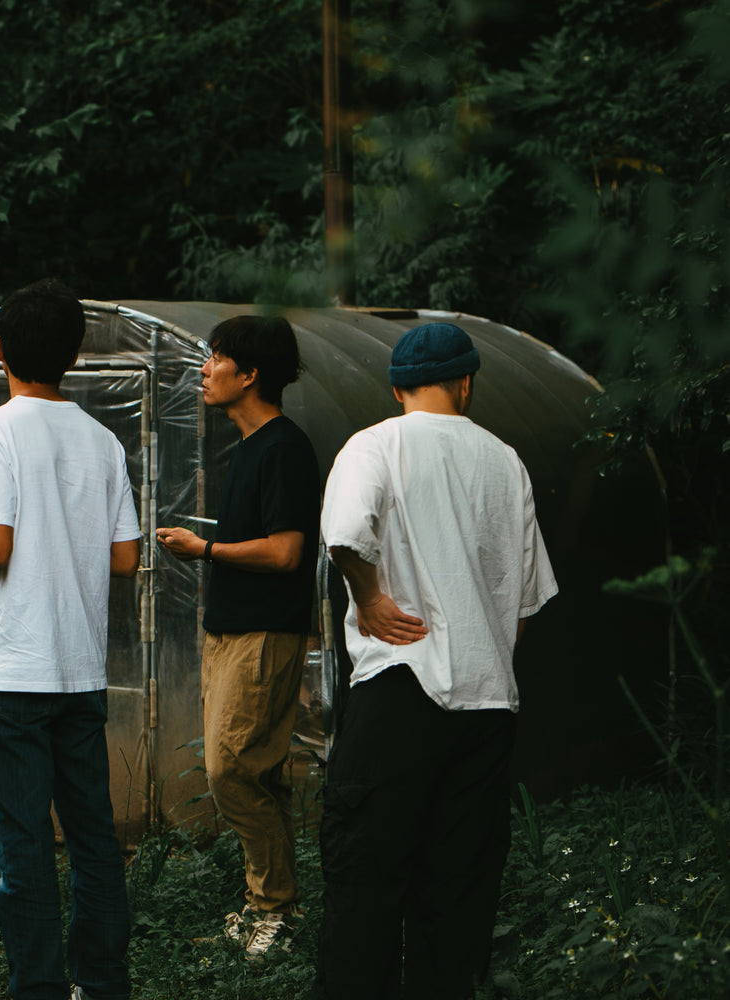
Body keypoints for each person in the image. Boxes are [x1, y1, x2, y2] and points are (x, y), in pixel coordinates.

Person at [315, 322, 558, 999]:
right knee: (458, 900)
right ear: (466, 382)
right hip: (486, 708)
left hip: (402, 685)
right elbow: (524, 601)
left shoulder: (375, 444)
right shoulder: (505, 461)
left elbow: (344, 536)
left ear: (396, 388)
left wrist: (368, 599)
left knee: (365, 886)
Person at [0, 279, 140, 1000]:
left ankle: (38, 988)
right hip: (79, 672)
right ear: (74, 354)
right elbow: (124, 559)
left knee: (22, 843)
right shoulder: (103, 439)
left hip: (11, 671)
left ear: (0, 351)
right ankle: (103, 982)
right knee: (93, 837)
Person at [154, 314, 320, 956]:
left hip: (264, 633)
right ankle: (271, 908)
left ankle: (273, 907)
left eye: (217, 357)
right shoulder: (250, 446)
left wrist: (206, 547)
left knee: (229, 771)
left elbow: (285, 552)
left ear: (250, 374)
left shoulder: (283, 447)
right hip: (233, 632)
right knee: (257, 772)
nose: (205, 368)